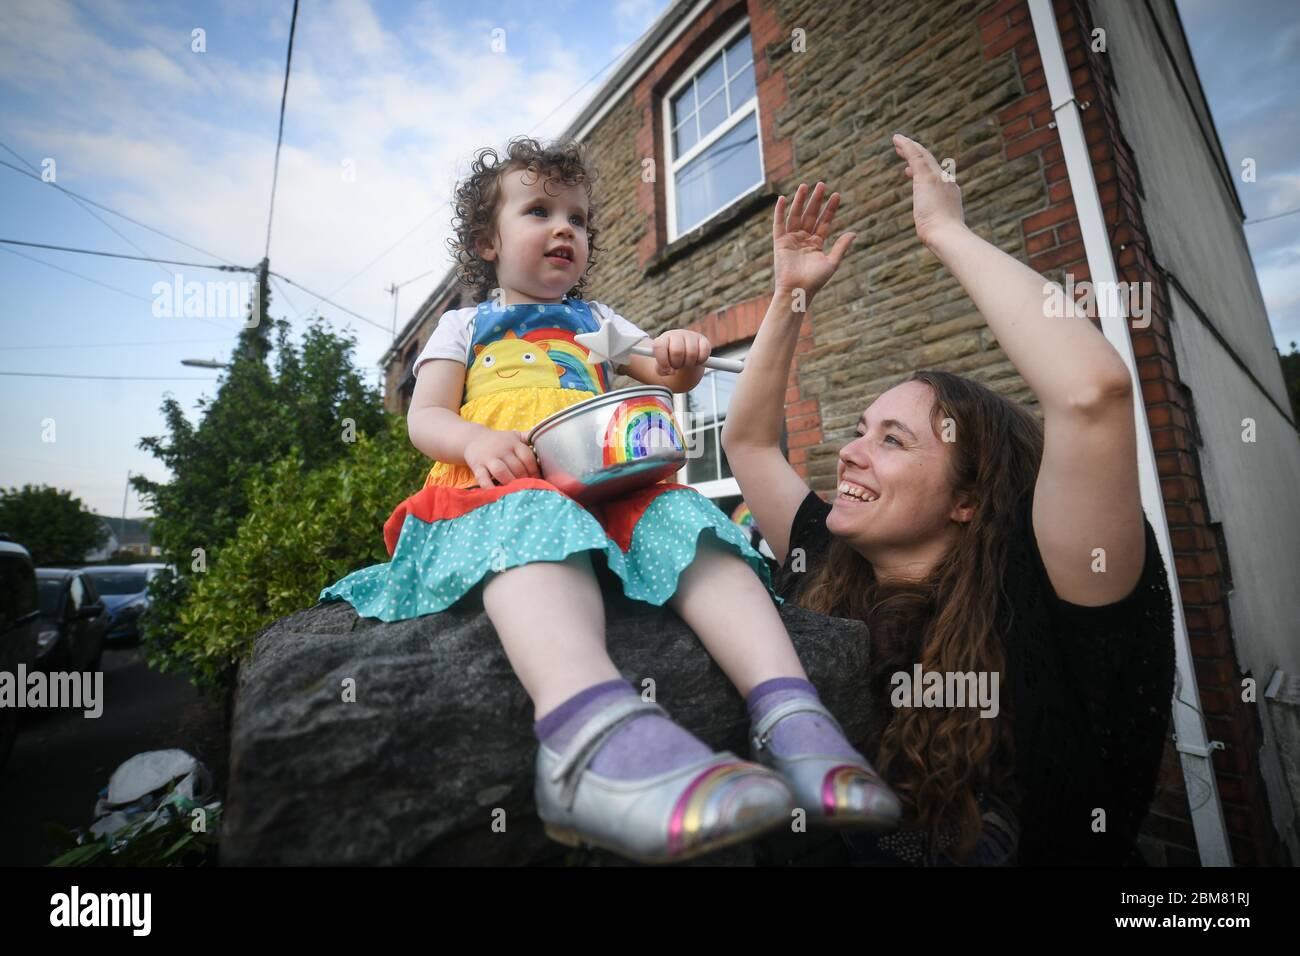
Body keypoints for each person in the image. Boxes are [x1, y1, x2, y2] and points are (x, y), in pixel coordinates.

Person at [318, 136, 903, 864]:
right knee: (531, 518)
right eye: (539, 211)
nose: (567, 228)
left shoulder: (598, 321)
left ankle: (791, 714)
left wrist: (683, 356)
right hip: (500, 488)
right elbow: (424, 417)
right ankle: (582, 736)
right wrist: (470, 441)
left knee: (687, 522)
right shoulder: (462, 325)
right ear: (486, 241)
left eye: (580, 218)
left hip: (602, 481)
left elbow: (660, 364)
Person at [722, 134, 1176, 865]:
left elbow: (1091, 393)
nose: (850, 451)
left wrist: (946, 233)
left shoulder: (1050, 594)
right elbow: (747, 443)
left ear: (968, 497)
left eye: (893, 440)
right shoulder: (824, 561)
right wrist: (789, 295)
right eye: (860, 429)